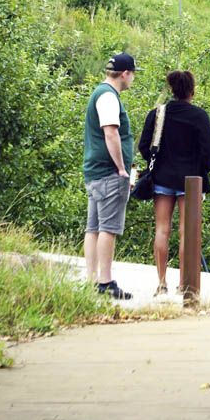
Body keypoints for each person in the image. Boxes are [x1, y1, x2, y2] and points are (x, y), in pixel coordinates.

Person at [138, 70, 210, 297]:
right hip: (191, 181)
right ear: (192, 91)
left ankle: (161, 283)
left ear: (172, 89)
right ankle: (185, 284)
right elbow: (208, 153)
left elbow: (144, 146)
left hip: (162, 179)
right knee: (186, 233)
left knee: (162, 230)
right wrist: (200, 171)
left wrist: (159, 165)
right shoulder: (199, 116)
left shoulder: (158, 114)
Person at [82, 53, 139, 300]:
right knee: (108, 227)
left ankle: (92, 280)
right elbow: (111, 133)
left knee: (93, 227)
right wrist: (122, 168)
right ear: (125, 73)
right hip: (108, 172)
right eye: (133, 74)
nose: (133, 79)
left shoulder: (101, 92)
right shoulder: (108, 96)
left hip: (95, 171)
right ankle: (105, 282)